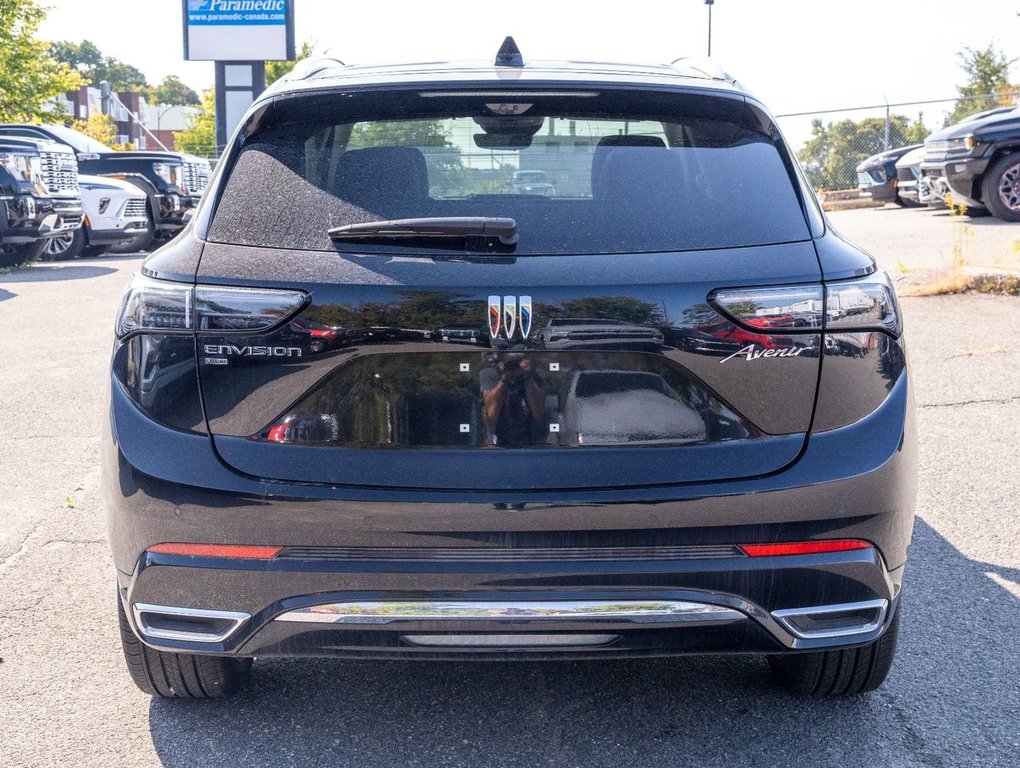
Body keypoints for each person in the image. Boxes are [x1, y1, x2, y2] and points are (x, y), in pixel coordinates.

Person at [479, 353, 547, 447]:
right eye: (509, 364)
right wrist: (503, 380)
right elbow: (491, 416)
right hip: (498, 441)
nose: (513, 367)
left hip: (529, 439)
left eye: (517, 362)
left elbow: (538, 414)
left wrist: (527, 377)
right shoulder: (491, 374)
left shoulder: (535, 375)